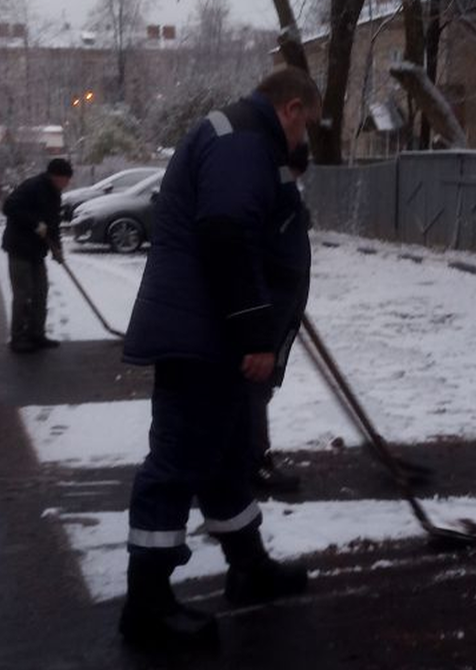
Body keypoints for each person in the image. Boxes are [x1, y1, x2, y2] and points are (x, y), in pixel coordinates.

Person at [119, 68, 321, 647]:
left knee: (228, 457)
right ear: (289, 108)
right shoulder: (242, 142)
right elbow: (228, 234)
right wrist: (257, 332)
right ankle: (147, 604)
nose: (304, 136)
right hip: (204, 337)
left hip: (213, 332)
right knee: (178, 462)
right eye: (305, 122)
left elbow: (257, 233)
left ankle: (249, 567)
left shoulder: (246, 140)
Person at [249, 141, 311, 494]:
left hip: (277, 306)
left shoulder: (272, 188)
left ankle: (243, 457)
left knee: (256, 387)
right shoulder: (279, 193)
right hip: (271, 310)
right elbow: (273, 256)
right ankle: (253, 462)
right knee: (257, 384)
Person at [1, 158, 71, 353]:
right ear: (55, 176)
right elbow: (9, 207)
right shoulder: (32, 187)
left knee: (40, 292)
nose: (67, 184)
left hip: (36, 251)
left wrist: (57, 249)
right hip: (19, 248)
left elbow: (53, 224)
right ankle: (18, 338)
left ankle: (36, 334)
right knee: (23, 293)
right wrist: (35, 223)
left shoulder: (55, 194)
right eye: (66, 179)